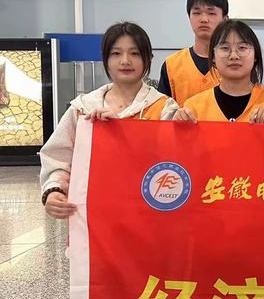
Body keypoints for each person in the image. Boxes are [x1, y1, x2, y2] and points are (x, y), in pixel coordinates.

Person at [40, 22, 179, 219]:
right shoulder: (83, 108)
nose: (125, 61)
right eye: (116, 53)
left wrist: (123, 132)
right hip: (94, 218)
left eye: (135, 53)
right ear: (105, 58)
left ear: (148, 58)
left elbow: (174, 164)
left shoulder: (164, 108)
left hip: (149, 216)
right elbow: (57, 157)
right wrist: (54, 191)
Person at [172, 20, 264, 124]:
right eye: (225, 48)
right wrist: (177, 125)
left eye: (242, 48)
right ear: (213, 56)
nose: (234, 56)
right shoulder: (193, 108)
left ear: (255, 55)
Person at [158, 0, 228, 105]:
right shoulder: (172, 65)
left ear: (225, 19)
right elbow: (162, 110)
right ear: (189, 17)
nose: (204, 19)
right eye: (197, 13)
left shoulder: (236, 63)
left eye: (211, 13)